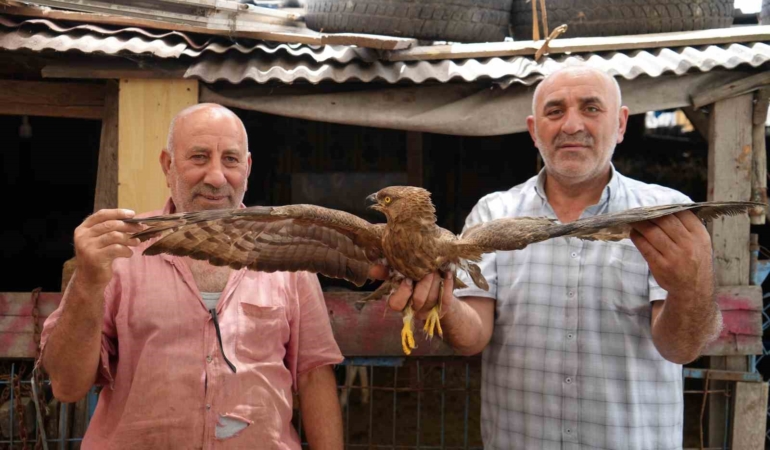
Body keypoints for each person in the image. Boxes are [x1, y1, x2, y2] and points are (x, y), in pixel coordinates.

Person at [387, 64, 722, 449]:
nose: (571, 125)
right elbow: (472, 336)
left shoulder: (666, 215)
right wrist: (441, 300)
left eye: (592, 109)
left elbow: (680, 348)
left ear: (621, 124)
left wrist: (690, 289)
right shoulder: (493, 214)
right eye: (555, 111)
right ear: (533, 130)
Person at [39, 103, 344, 449]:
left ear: (247, 168)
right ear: (168, 165)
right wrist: (89, 281)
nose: (216, 177)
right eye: (199, 157)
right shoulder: (122, 253)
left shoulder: (290, 259)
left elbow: (315, 375)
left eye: (230, 160)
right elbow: (66, 386)